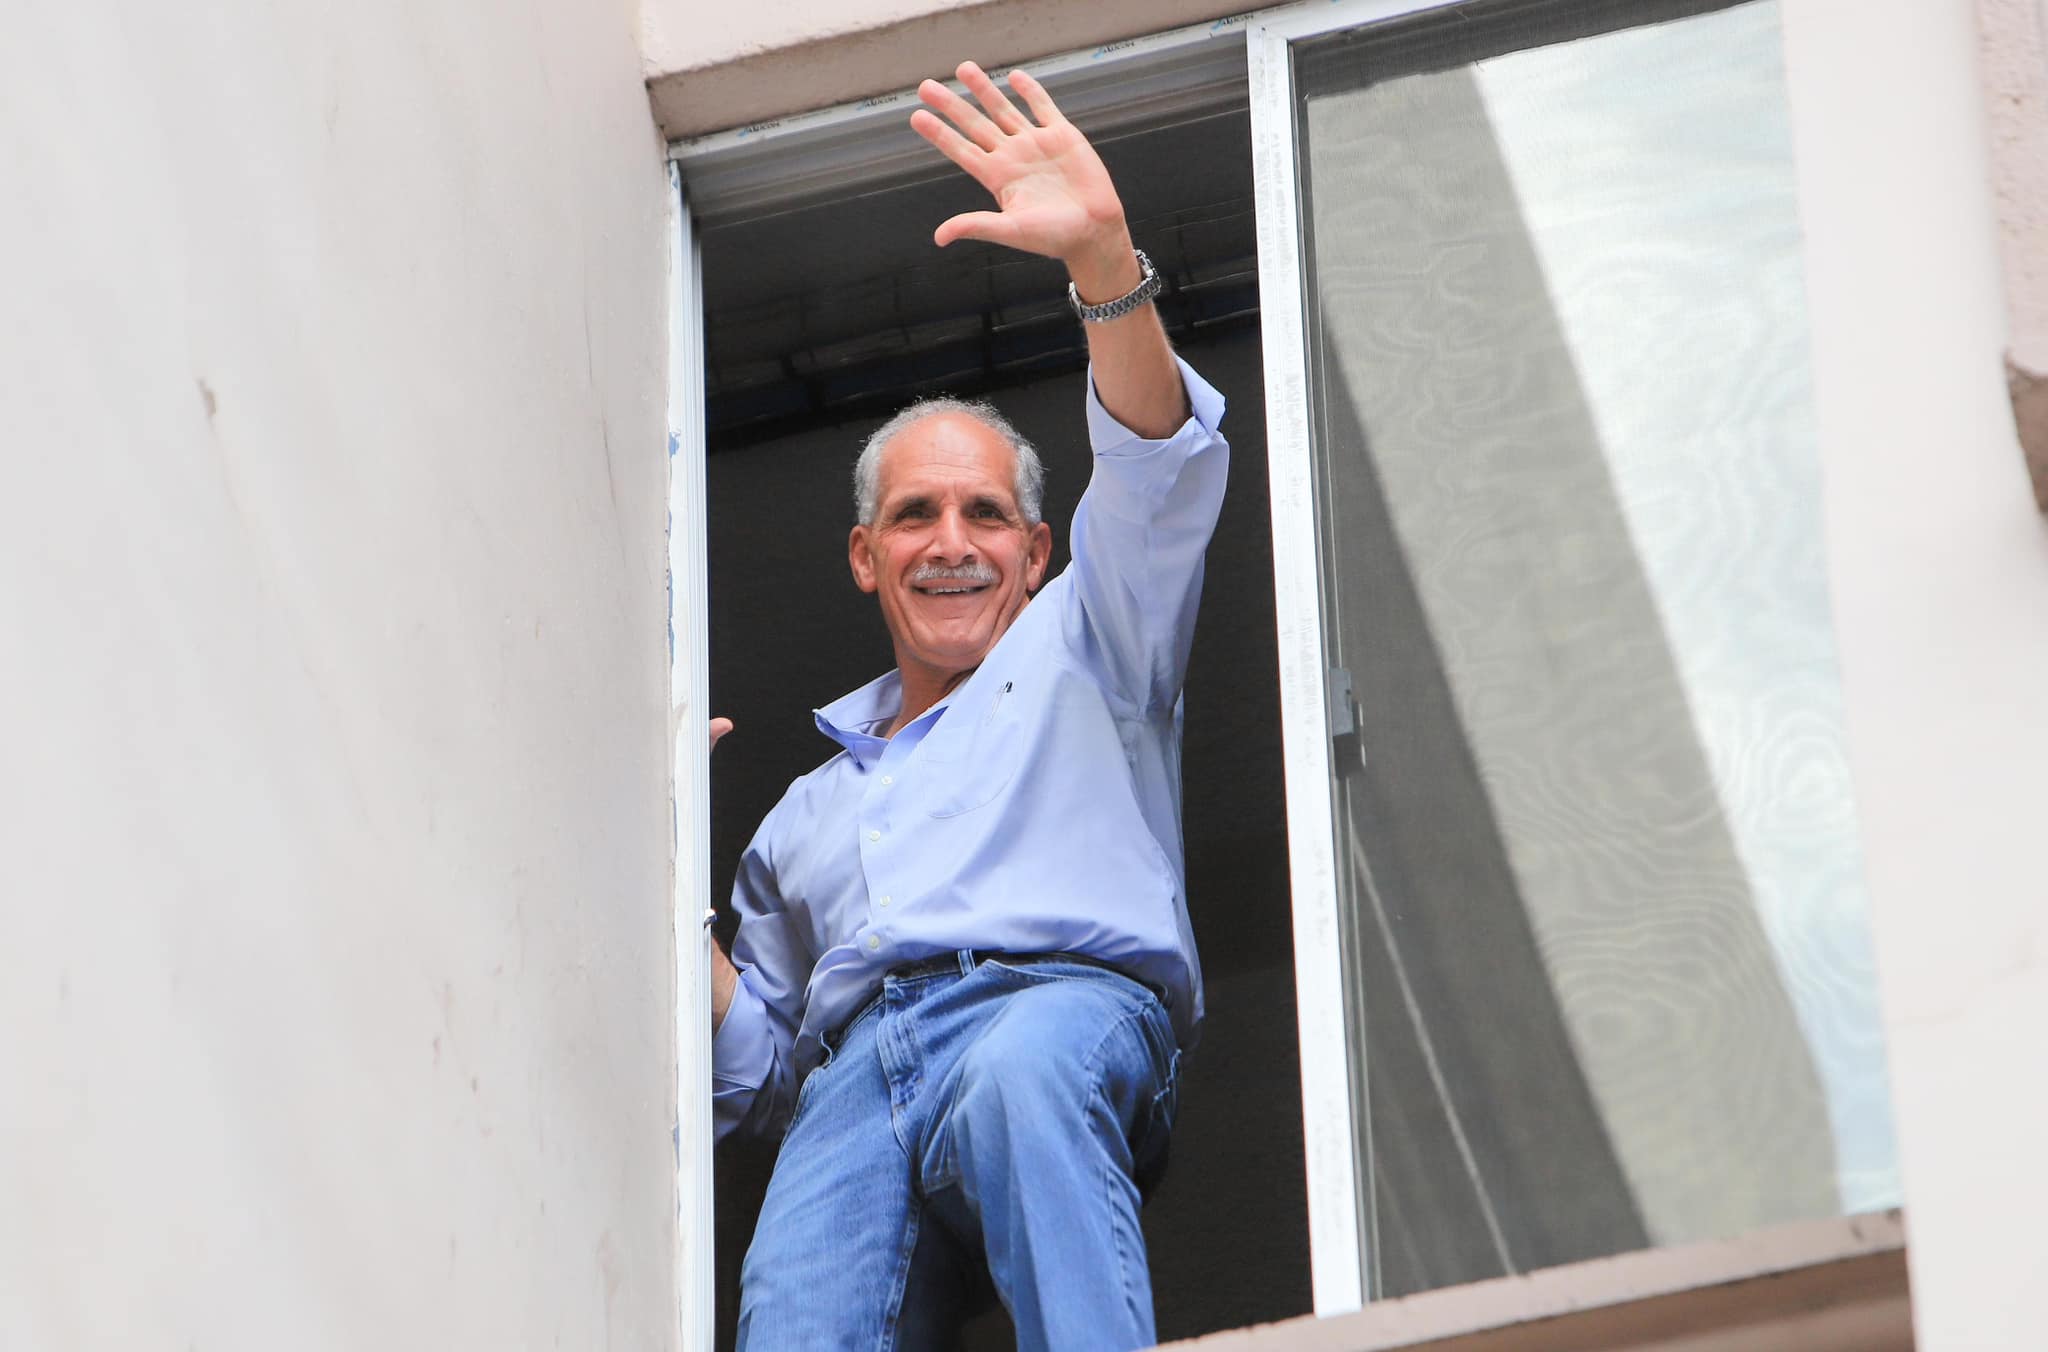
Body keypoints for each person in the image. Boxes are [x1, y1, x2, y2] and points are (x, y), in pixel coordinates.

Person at [708, 60, 1229, 1352]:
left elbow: (1157, 471)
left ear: (1038, 551)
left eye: (985, 513)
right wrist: (657, 877)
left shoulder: (1095, 639)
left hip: (1051, 1008)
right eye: (915, 516)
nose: (951, 542)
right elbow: (758, 1071)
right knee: (791, 1304)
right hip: (852, 1086)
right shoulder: (802, 815)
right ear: (864, 556)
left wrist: (1103, 263)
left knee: (1019, 1085)